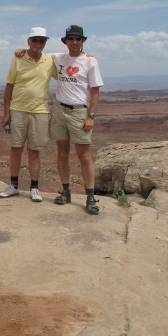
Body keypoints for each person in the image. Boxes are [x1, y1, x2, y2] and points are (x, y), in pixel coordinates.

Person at [49, 25, 104, 215]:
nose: (74, 42)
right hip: (59, 110)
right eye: (70, 39)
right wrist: (21, 51)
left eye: (77, 39)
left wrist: (91, 116)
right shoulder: (58, 58)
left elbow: (95, 91)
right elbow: (37, 55)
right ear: (65, 41)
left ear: (82, 41)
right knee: (62, 153)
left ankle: (90, 196)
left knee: (84, 156)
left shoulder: (90, 61)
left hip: (79, 112)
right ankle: (65, 191)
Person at [0, 27, 57, 202]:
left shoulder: (50, 61)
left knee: (34, 151)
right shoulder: (18, 59)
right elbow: (9, 86)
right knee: (15, 149)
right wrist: (5, 113)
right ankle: (14, 186)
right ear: (28, 41)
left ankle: (34, 188)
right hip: (18, 110)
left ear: (45, 42)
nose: (38, 44)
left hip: (39, 111)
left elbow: (68, 61)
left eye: (42, 41)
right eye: (35, 40)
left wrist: (85, 55)